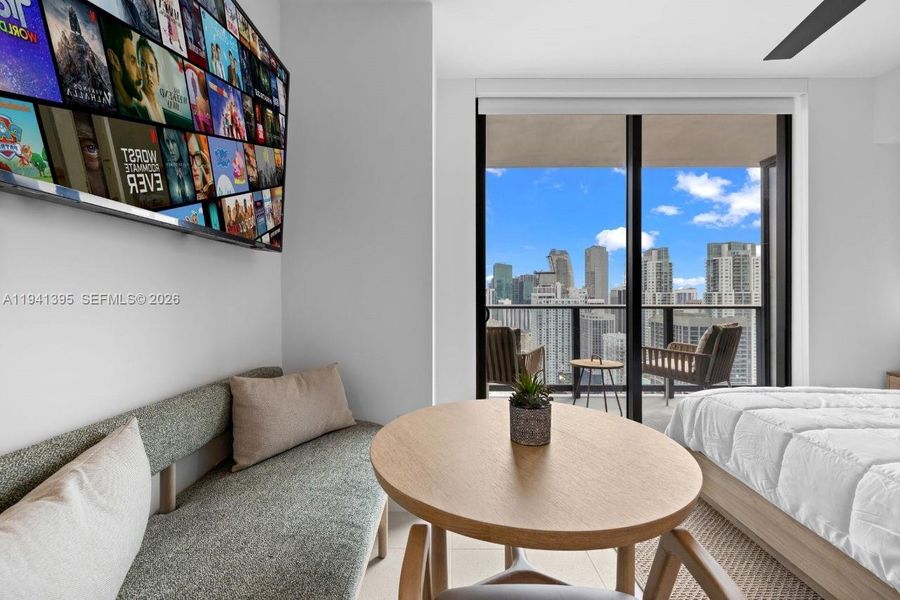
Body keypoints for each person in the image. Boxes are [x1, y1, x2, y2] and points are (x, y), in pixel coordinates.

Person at [105, 24, 150, 119]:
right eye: (133, 61)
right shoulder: (110, 108)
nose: (141, 76)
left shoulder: (144, 112)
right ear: (114, 60)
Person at [137, 38, 165, 123]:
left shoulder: (159, 108)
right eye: (143, 64)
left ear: (158, 76)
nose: (148, 73)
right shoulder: (139, 104)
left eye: (152, 68)